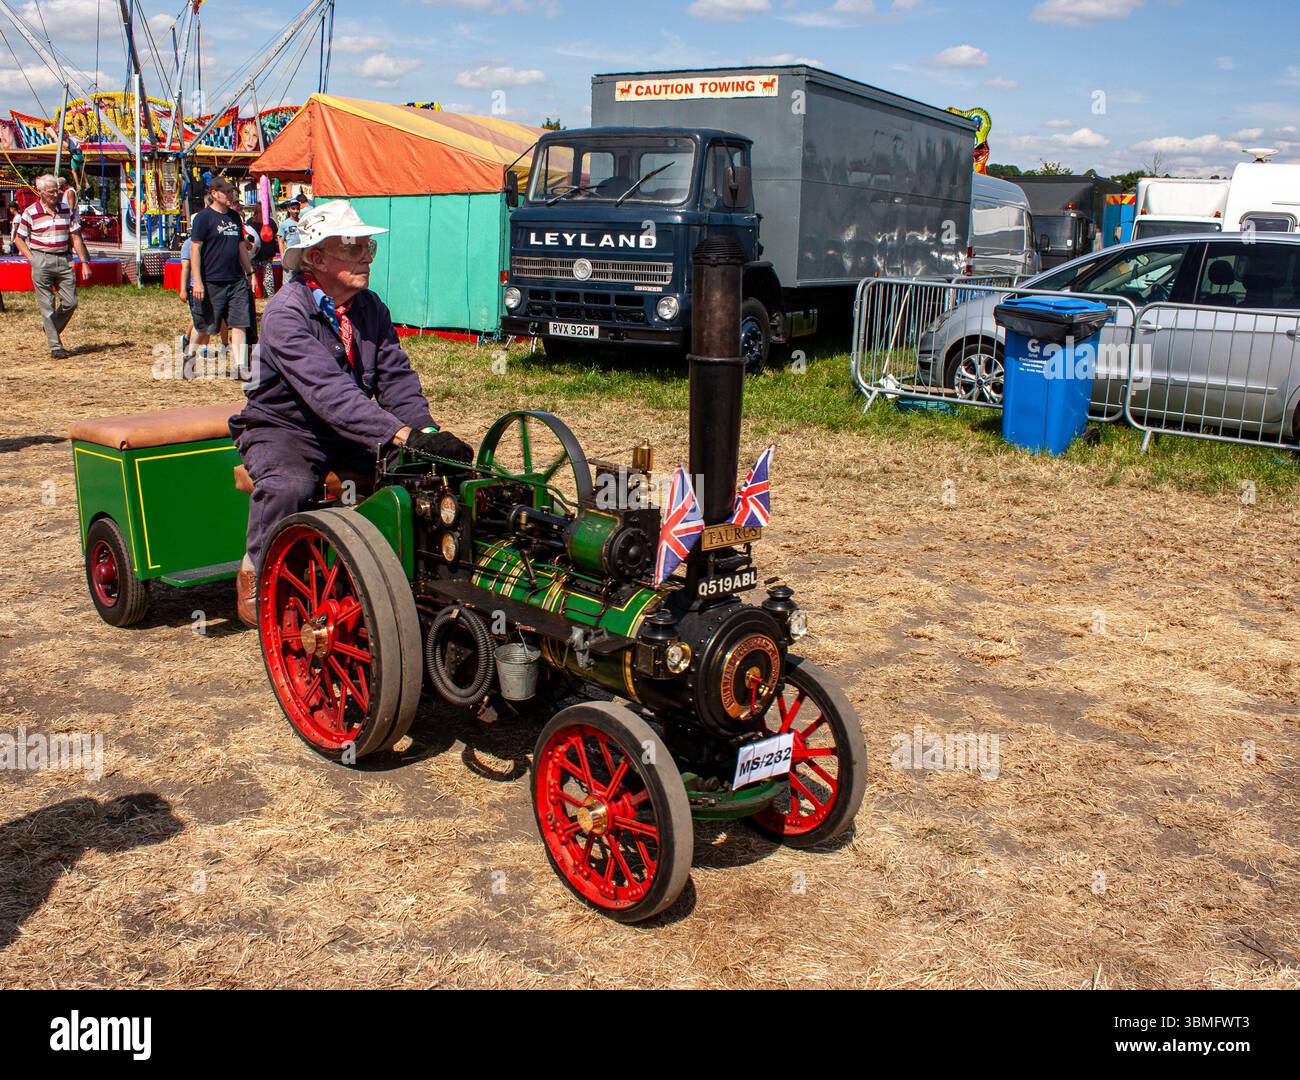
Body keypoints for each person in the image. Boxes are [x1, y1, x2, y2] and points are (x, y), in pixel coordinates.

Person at [228, 199, 471, 625]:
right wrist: (402, 436)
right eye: (353, 247)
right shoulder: (286, 313)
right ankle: (257, 571)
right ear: (316, 258)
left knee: (422, 471)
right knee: (289, 484)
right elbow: (330, 394)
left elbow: (396, 381)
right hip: (283, 428)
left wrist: (427, 435)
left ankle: (415, 575)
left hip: (347, 427)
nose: (365, 256)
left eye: (368, 248)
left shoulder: (370, 307)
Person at [14, 174, 92, 358]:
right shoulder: (30, 212)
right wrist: (33, 259)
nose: (55, 194)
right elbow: (19, 239)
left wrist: (85, 262)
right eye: (51, 192)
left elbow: (75, 237)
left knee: (71, 302)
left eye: (57, 190)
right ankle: (56, 347)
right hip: (41, 259)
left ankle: (51, 326)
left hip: (64, 260)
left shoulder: (66, 210)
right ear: (40, 192)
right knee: (47, 304)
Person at [189, 176, 252, 371]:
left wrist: (250, 273)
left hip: (236, 279)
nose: (230, 194)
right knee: (206, 326)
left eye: (231, 191)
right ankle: (189, 355)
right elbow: (195, 250)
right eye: (225, 191)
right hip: (212, 281)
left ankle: (240, 366)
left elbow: (241, 247)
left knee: (239, 323)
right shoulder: (203, 218)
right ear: (214, 194)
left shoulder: (235, 217)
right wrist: (198, 281)